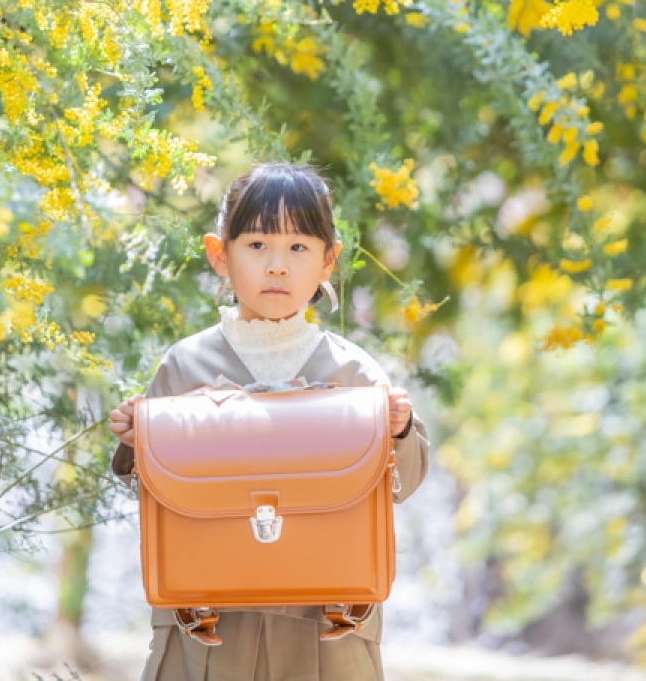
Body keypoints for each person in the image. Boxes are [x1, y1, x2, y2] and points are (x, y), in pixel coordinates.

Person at [110, 161, 429, 681]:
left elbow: (401, 485)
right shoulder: (184, 365)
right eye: (257, 245)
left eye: (298, 248)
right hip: (206, 626)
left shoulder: (354, 372)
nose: (277, 265)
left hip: (326, 628)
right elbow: (150, 490)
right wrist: (135, 440)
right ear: (220, 254)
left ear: (328, 261)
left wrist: (399, 430)